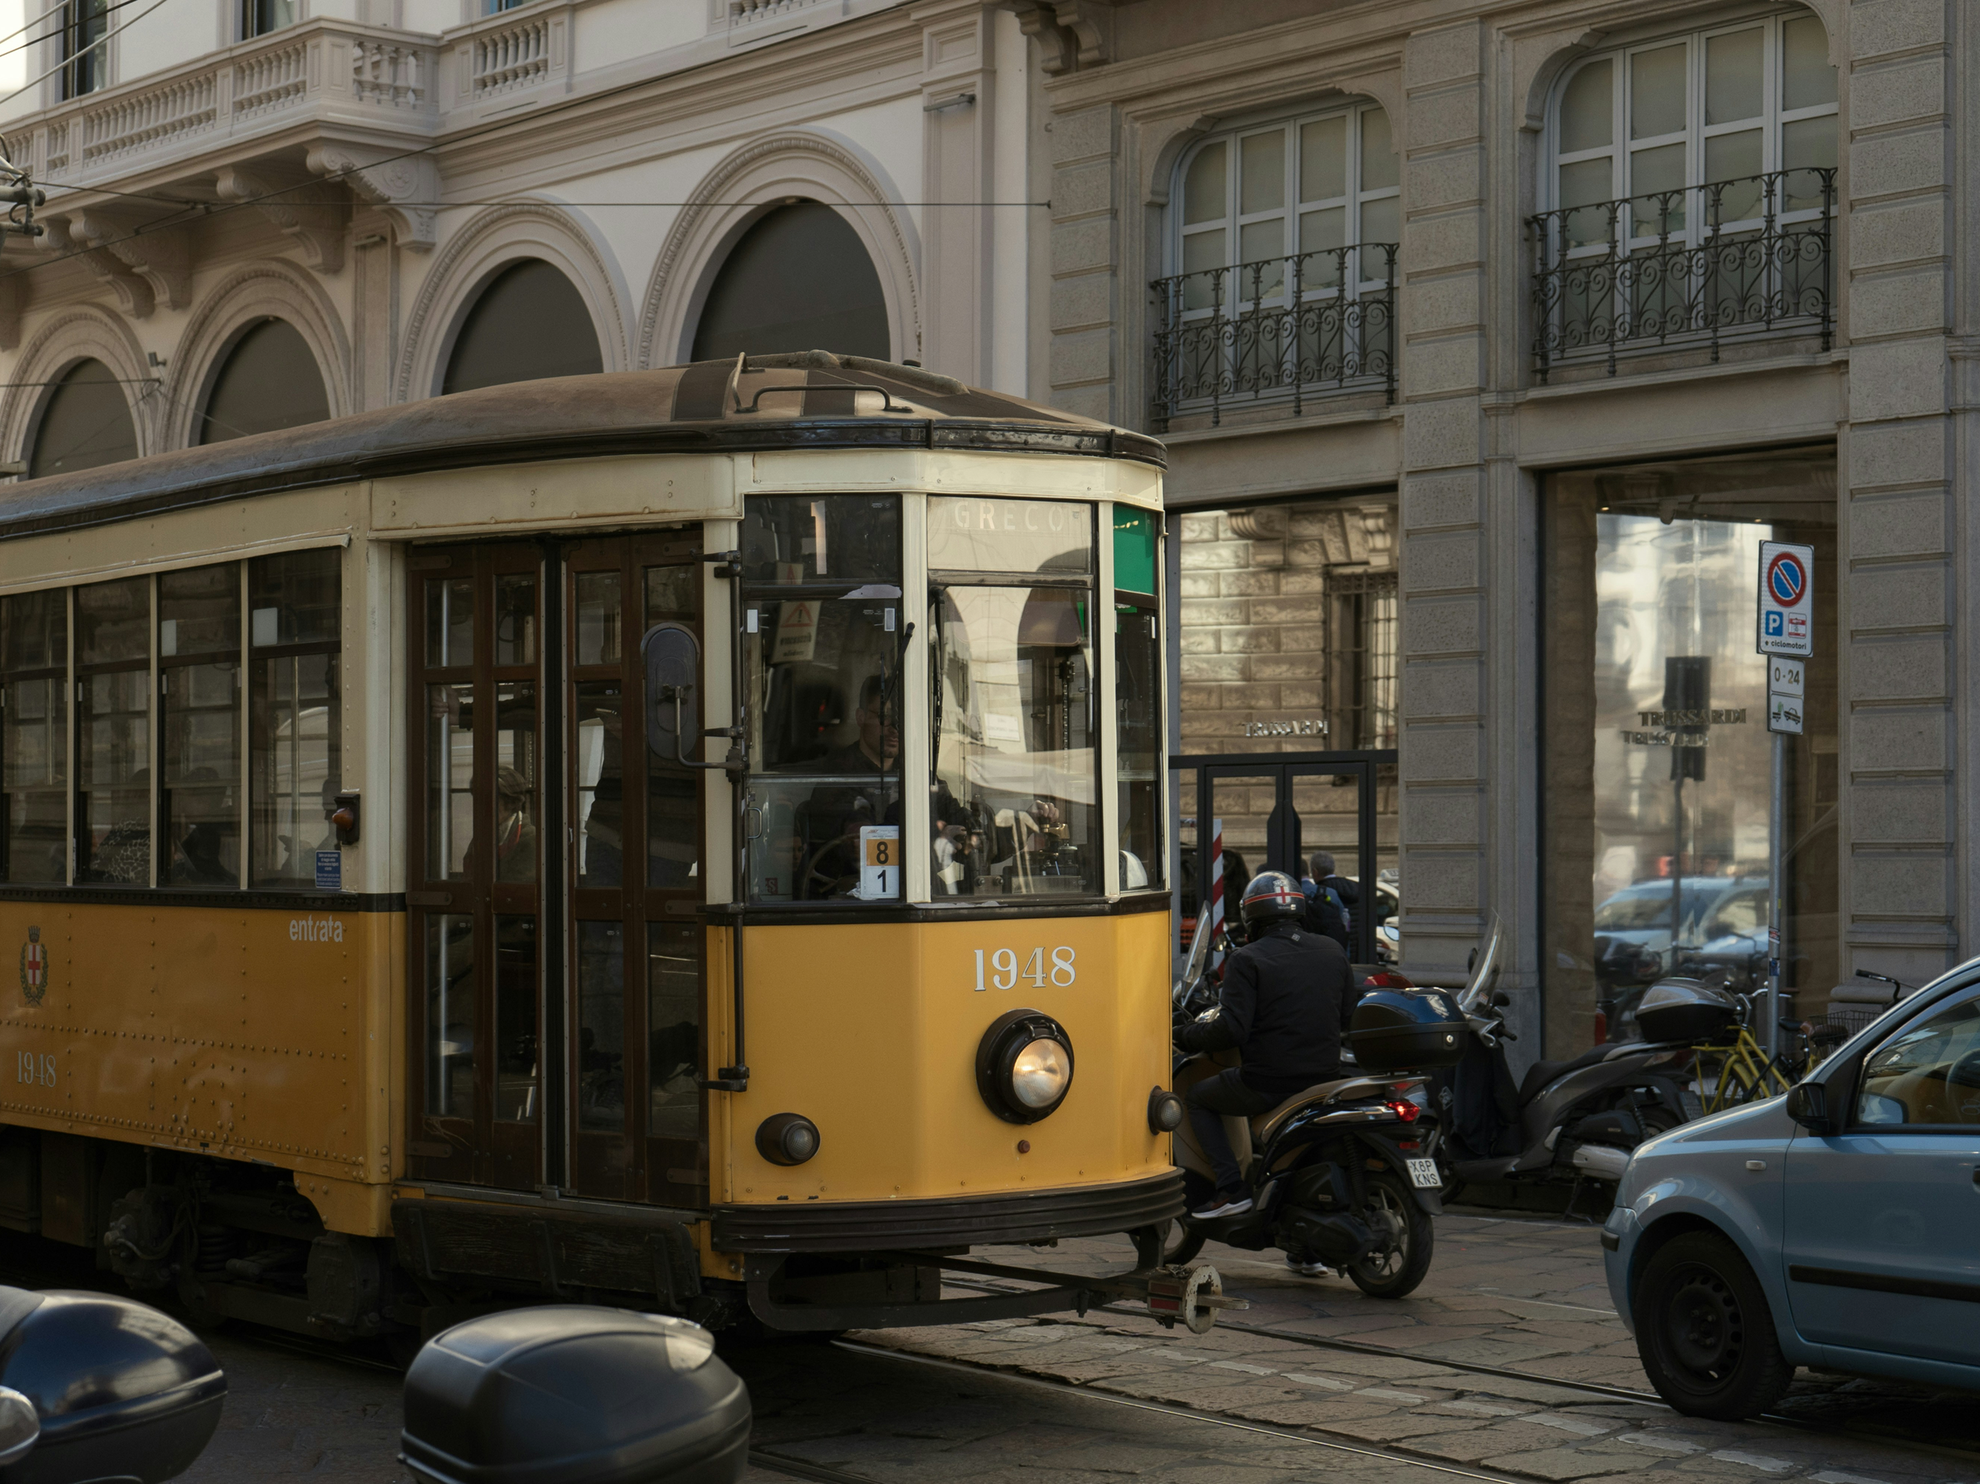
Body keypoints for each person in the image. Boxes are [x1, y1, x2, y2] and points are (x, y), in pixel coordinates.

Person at [1175, 870, 1356, 1222]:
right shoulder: (1332, 950)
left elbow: (1231, 1031)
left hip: (1269, 1082)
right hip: (1324, 1078)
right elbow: (1348, 1017)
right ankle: (1306, 1253)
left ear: (1251, 918)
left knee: (1197, 1097)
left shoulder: (1248, 959)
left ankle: (1231, 1189)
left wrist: (1185, 1034)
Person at [1301, 850, 1352, 954]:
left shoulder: (1291, 893)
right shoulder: (1331, 893)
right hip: (1331, 951)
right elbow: (1345, 923)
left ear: (1314, 871)